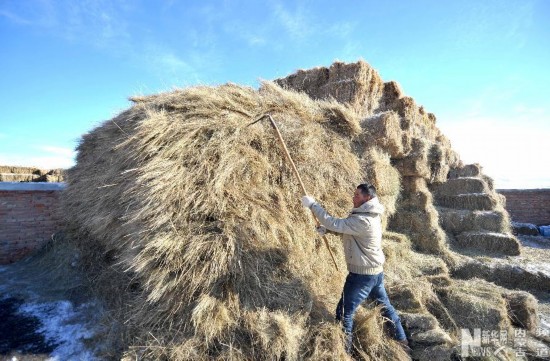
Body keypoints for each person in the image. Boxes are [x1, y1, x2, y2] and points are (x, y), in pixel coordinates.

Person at [301, 184, 408, 353]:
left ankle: (345, 351)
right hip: (374, 272)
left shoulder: (363, 219)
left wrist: (314, 205)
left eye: (357, 195)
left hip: (361, 276)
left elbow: (335, 223)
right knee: (385, 307)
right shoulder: (368, 215)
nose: (353, 197)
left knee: (344, 312)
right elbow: (349, 231)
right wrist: (328, 231)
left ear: (368, 198)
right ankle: (402, 342)